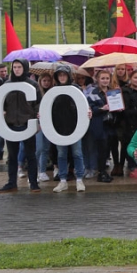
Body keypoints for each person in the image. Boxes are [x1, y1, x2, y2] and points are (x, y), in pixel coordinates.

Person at [0, 59, 41, 193]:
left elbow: (38, 104)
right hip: (11, 124)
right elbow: (2, 103)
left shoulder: (32, 84)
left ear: (25, 68)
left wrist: (37, 120)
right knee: (12, 156)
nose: (16, 69)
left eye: (19, 67)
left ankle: (33, 183)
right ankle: (11, 183)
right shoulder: (7, 85)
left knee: (31, 155)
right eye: (14, 67)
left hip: (27, 124)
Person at [50, 64, 87, 193]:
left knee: (77, 153)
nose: (62, 77)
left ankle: (79, 179)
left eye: (64, 75)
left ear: (68, 76)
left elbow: (84, 107)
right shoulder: (53, 91)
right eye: (59, 75)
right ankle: (63, 180)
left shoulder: (76, 89)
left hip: (75, 126)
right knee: (61, 154)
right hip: (59, 128)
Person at [87, 69, 117, 183]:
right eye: (103, 78)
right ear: (98, 79)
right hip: (100, 124)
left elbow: (117, 105)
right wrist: (101, 108)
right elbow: (91, 109)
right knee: (101, 149)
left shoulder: (113, 92)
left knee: (108, 149)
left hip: (111, 123)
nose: (105, 81)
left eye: (107, 78)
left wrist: (119, 107)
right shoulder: (93, 93)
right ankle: (101, 173)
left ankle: (105, 172)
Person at [119, 70, 137, 179]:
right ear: (130, 79)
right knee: (130, 145)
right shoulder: (125, 92)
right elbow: (125, 111)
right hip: (129, 123)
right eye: (135, 78)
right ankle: (132, 166)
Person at [34, 73, 54, 183]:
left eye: (48, 81)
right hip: (39, 123)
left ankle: (42, 171)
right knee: (39, 148)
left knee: (46, 148)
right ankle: (34, 170)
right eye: (44, 80)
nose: (46, 83)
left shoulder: (52, 92)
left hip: (49, 123)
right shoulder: (37, 93)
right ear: (40, 82)